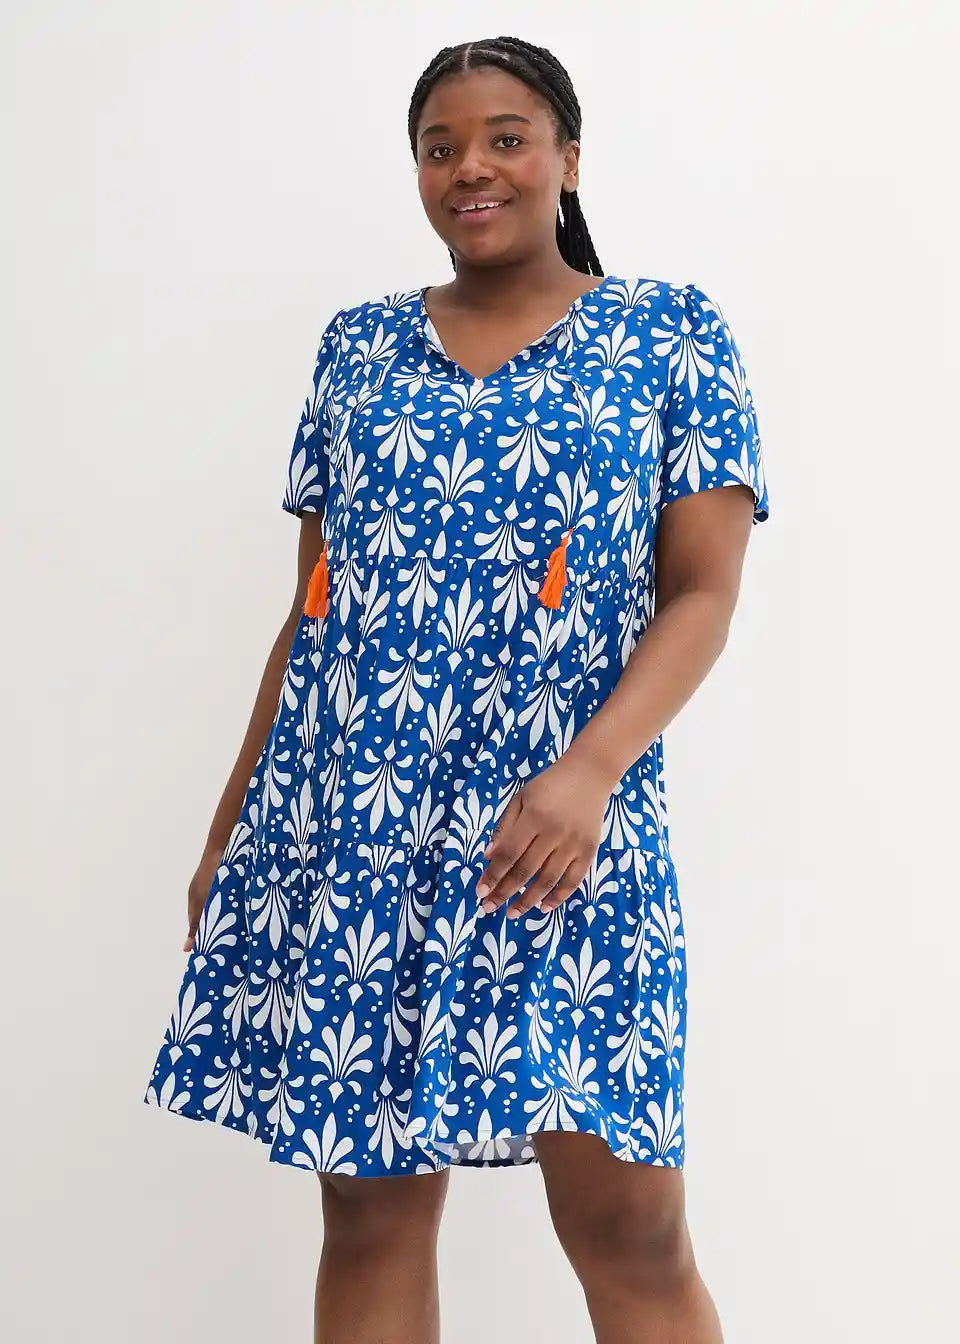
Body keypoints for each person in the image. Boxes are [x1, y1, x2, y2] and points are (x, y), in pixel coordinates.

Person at [143, 34, 769, 1344]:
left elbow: (703, 596)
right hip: (357, 827)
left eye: (505, 138)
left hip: (563, 837)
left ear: (569, 158)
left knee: (632, 1228)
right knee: (368, 1217)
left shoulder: (669, 334)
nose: (470, 167)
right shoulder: (358, 346)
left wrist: (589, 772)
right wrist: (232, 826)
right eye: (440, 147)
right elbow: (314, 610)